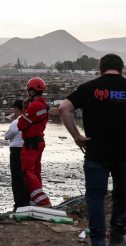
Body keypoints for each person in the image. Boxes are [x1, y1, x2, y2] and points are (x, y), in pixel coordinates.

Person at [59, 53, 126, 246]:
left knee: (96, 196)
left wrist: (77, 137)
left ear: (100, 70)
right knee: (122, 195)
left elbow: (64, 108)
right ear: (122, 70)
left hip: (96, 153)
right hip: (124, 155)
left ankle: (98, 240)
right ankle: (117, 236)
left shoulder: (89, 88)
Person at [17, 77, 52, 207]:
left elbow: (20, 124)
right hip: (39, 142)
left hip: (31, 143)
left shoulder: (35, 106)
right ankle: (36, 201)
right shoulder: (44, 105)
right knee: (36, 172)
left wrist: (25, 109)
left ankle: (43, 201)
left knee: (27, 171)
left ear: (31, 92)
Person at [5, 99, 30, 212]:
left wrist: (12, 122)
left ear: (16, 109)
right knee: (27, 175)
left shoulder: (16, 122)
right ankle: (27, 201)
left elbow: (7, 136)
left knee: (17, 177)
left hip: (16, 151)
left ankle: (19, 204)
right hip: (27, 149)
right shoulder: (29, 120)